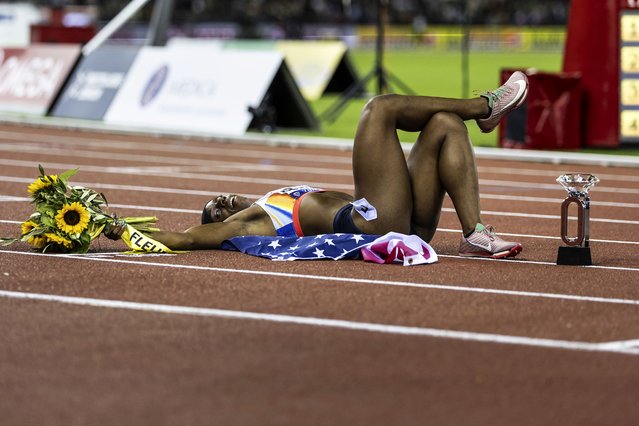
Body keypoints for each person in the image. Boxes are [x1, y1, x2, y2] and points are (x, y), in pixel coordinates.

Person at [107, 71, 528, 259]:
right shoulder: (250, 223)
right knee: (378, 109)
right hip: (369, 225)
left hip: (401, 218)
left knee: (443, 125)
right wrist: (115, 227)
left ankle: (474, 232)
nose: (219, 203)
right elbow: (186, 238)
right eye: (217, 209)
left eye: (214, 202)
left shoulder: (276, 196)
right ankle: (483, 106)